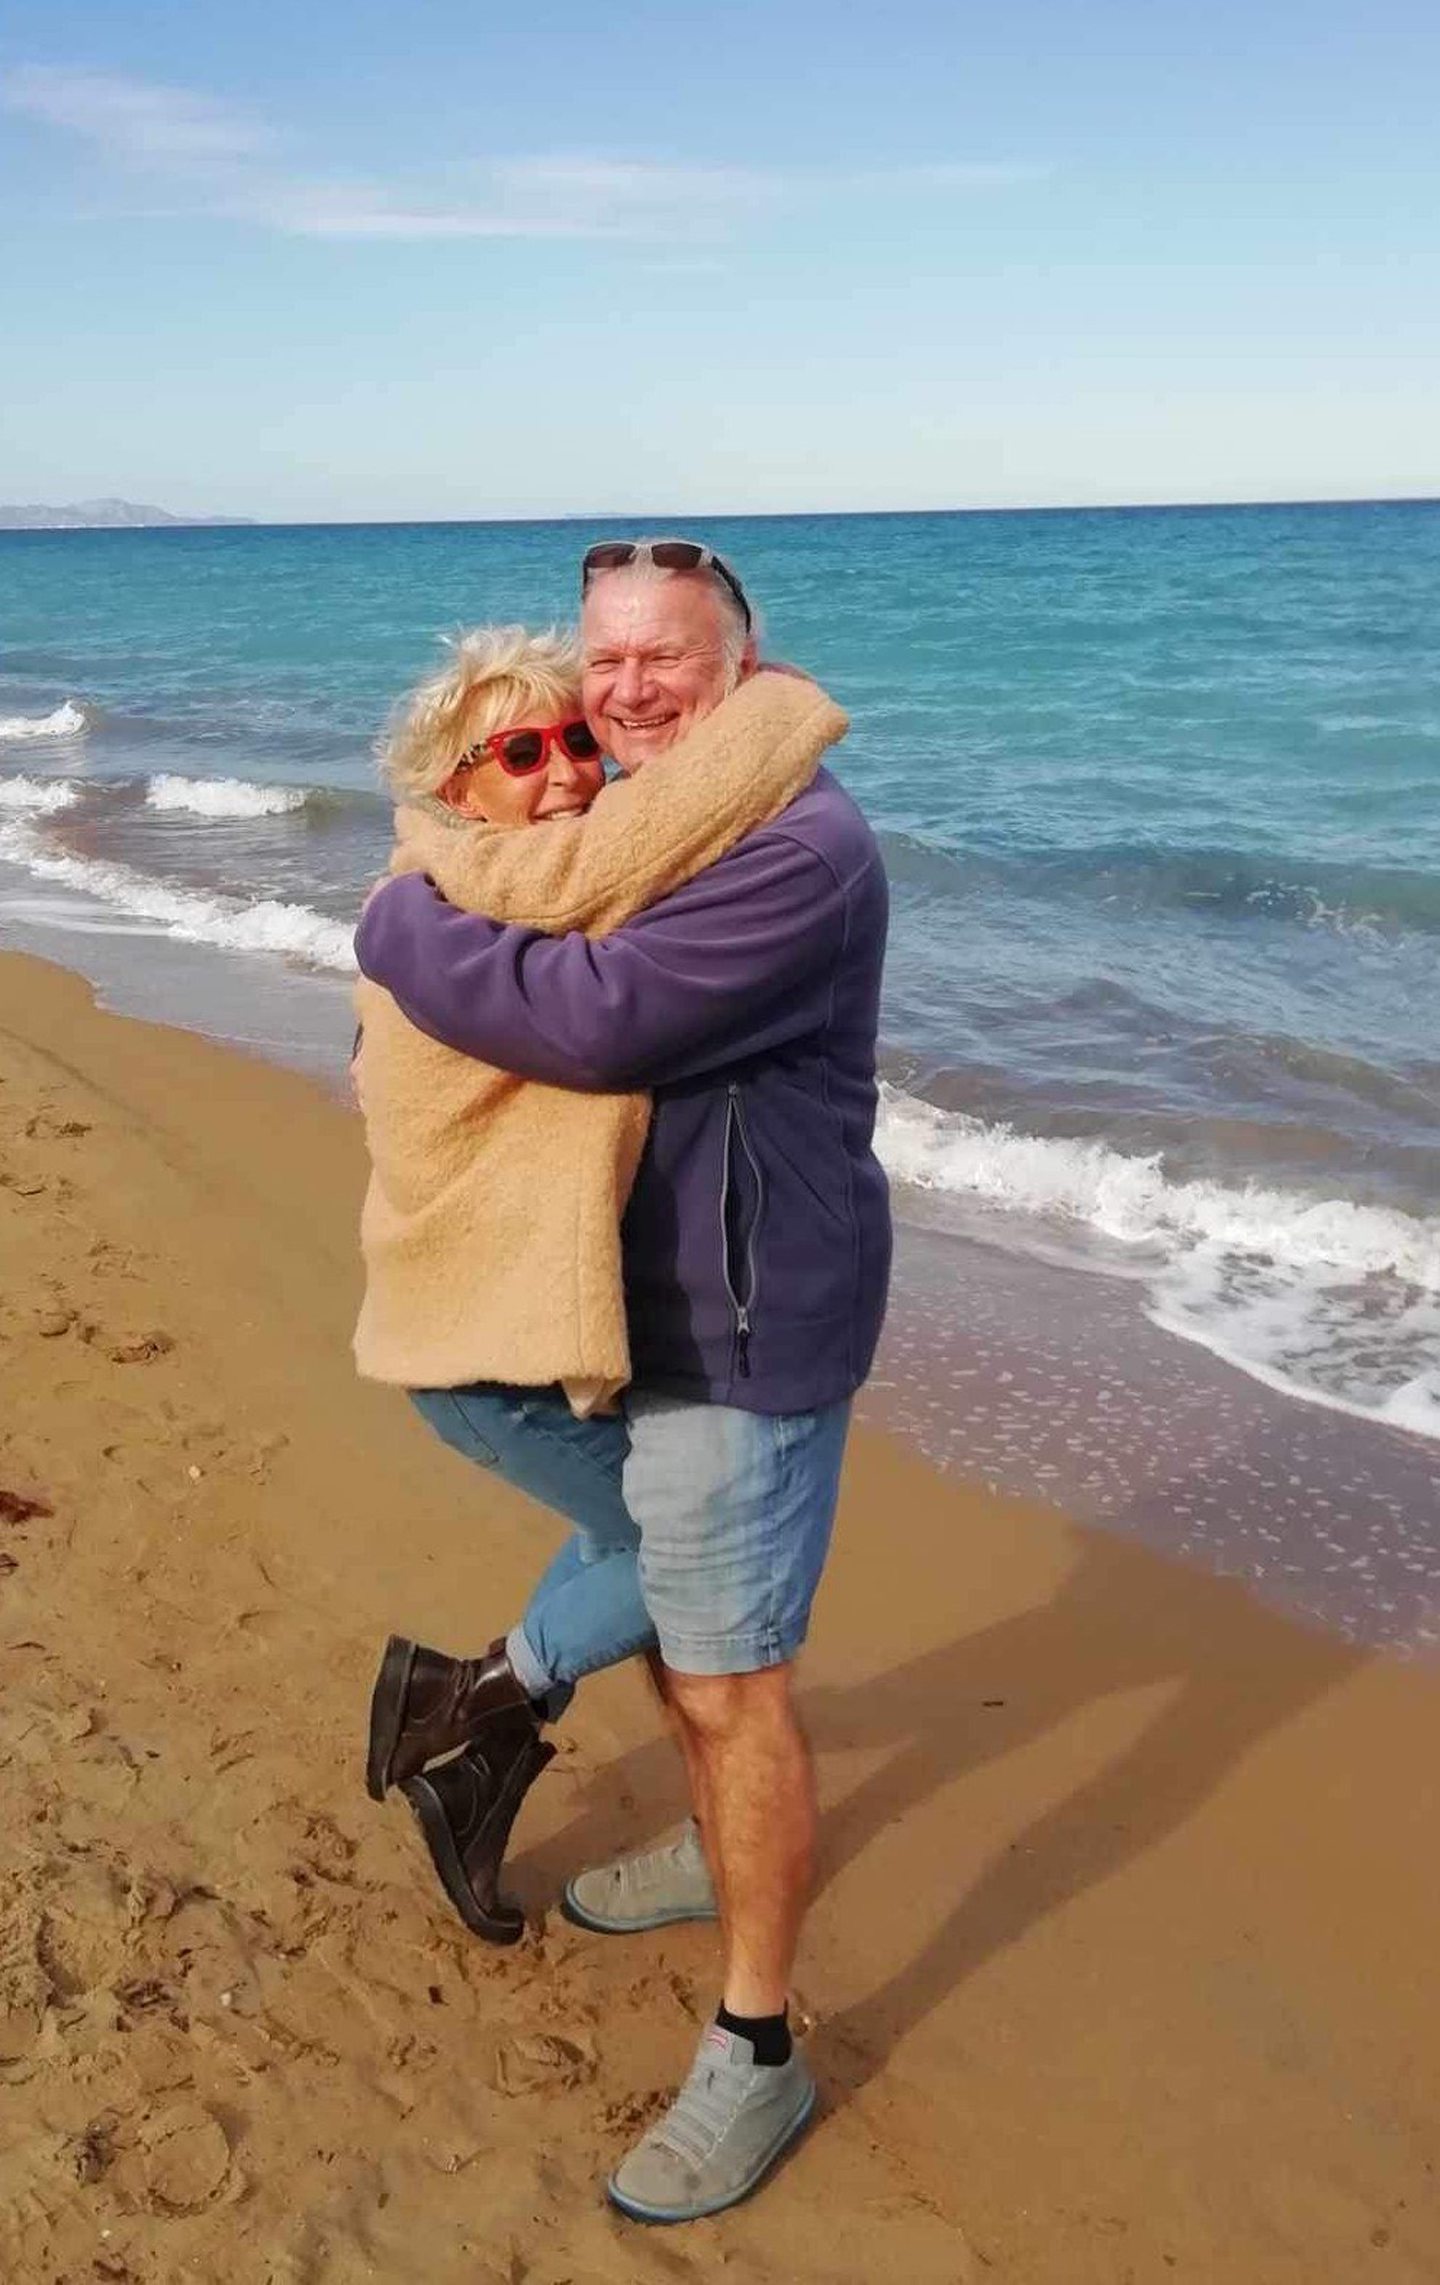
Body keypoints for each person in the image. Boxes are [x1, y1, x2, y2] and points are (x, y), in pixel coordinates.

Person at [356, 541, 891, 2225]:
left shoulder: (801, 844)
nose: (632, 689)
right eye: (608, 661)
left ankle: (755, 2049)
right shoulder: (617, 835)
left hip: (743, 1323)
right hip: (615, 1316)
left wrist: (392, 914)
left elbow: (593, 1022)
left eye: (671, 655)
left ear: (745, 659)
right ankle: (659, 1815)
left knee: (735, 1683)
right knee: (672, 1604)